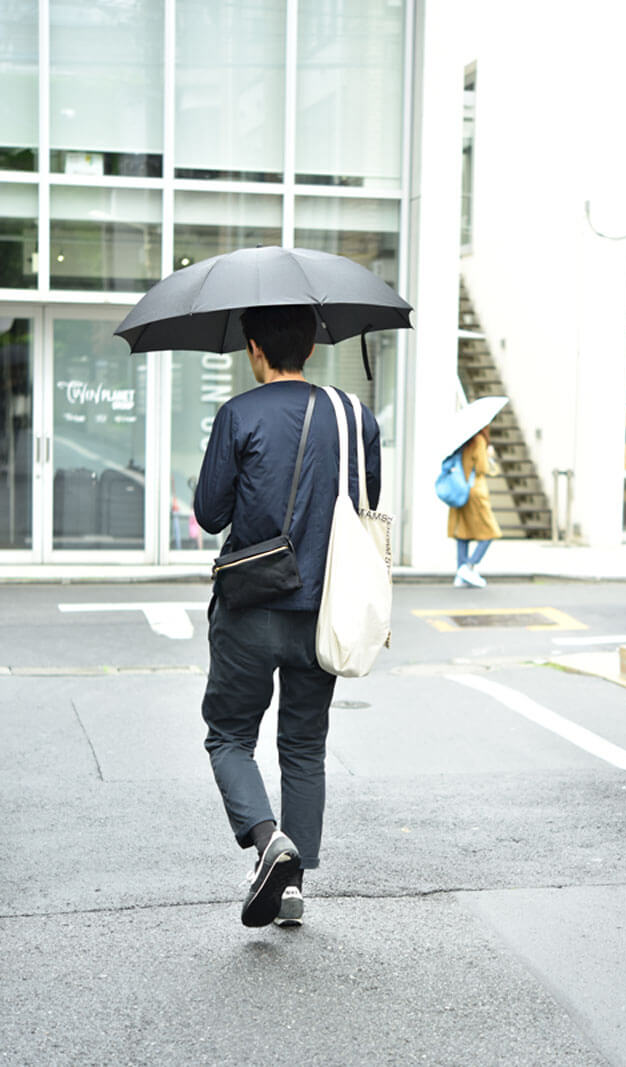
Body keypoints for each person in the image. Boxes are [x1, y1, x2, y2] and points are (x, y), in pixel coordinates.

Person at [194, 304, 381, 930]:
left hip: (249, 608)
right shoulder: (354, 416)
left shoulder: (238, 415)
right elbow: (365, 503)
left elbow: (210, 514)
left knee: (228, 735)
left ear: (254, 349)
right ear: (310, 344)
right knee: (304, 743)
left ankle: (269, 840)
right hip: (323, 609)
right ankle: (294, 888)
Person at [448, 426, 501, 587]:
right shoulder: (478, 440)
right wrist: (489, 455)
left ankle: (460, 574)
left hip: (460, 488)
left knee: (462, 532)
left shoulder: (461, 439)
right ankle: (468, 567)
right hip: (476, 491)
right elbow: (482, 468)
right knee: (490, 531)